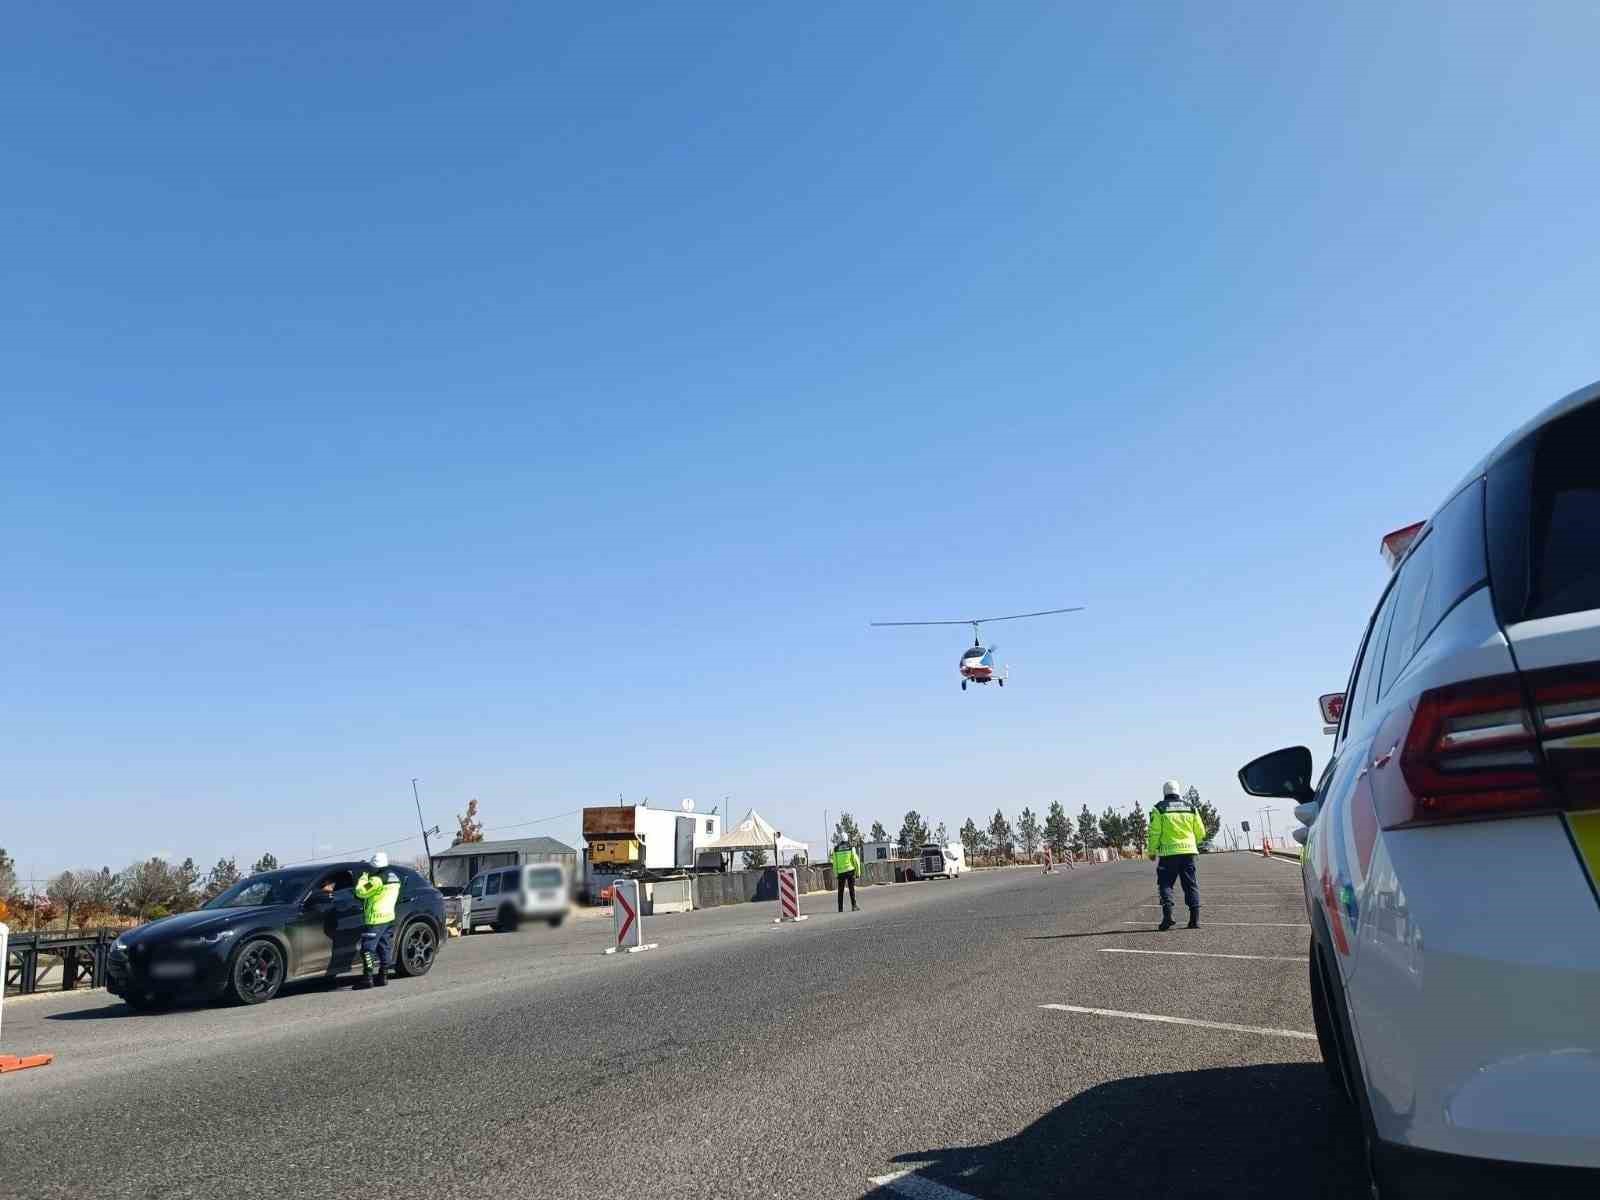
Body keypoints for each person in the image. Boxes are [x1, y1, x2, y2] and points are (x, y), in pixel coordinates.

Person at [1147, 780, 1206, 930]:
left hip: (1168, 854)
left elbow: (1155, 832)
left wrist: (1152, 851)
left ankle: (1168, 916)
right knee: (1190, 885)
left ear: (1164, 792)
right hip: (1188, 853)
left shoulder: (1159, 808)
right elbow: (1200, 831)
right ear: (1178, 791)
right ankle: (1194, 920)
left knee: (1166, 884)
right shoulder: (1191, 808)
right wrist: (1193, 843)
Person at [353, 852, 401, 988]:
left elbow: (360, 891)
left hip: (376, 919)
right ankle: (383, 976)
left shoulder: (376, 880)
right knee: (384, 947)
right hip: (388, 918)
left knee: (367, 949)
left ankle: (367, 979)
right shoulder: (394, 877)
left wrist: (363, 877)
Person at [831, 841, 861, 912]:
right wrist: (858, 872)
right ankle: (854, 906)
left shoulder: (836, 849)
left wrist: (836, 874)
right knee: (851, 889)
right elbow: (855, 860)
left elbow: (835, 863)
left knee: (840, 891)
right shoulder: (850, 847)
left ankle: (840, 908)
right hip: (850, 870)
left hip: (841, 872)